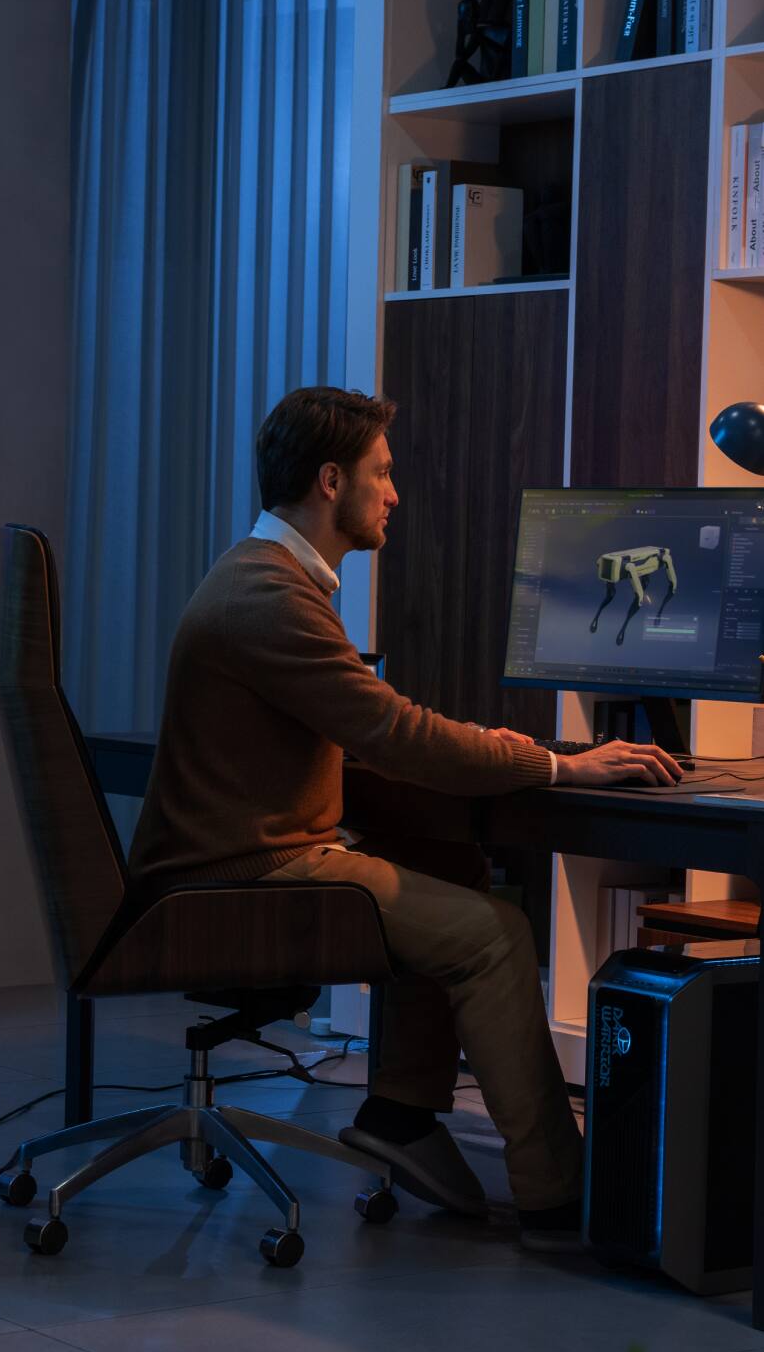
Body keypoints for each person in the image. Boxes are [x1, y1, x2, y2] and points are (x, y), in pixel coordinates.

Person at [127, 385, 682, 1251]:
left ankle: (399, 1114)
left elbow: (371, 728)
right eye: (381, 474)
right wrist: (559, 763)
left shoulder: (263, 576)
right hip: (243, 874)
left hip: (236, 856)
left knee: (449, 868)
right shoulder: (271, 598)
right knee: (494, 935)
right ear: (330, 482)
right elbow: (393, 733)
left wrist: (480, 748)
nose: (394, 494)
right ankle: (558, 1201)